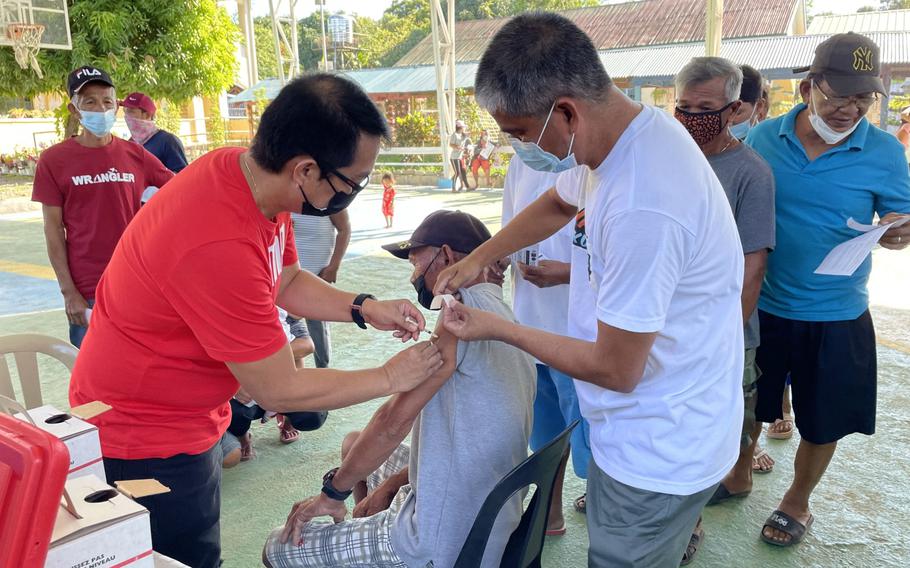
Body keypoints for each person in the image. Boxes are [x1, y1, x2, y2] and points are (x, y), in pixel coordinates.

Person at [68, 74, 444, 568]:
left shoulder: (249, 180)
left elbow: (285, 280)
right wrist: (390, 376)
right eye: (353, 182)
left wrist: (363, 306)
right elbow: (279, 390)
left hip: (189, 417)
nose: (355, 192)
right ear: (305, 171)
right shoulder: (215, 240)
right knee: (179, 556)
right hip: (142, 437)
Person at [433, 13, 744, 567]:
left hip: (658, 447)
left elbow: (615, 366)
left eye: (521, 133)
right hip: (651, 421)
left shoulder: (644, 203)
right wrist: (483, 255)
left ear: (567, 111)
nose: (520, 147)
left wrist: (498, 328)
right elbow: (557, 201)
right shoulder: (624, 138)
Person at [265, 210, 535, 568]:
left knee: (277, 548)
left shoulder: (460, 315)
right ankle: (366, 542)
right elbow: (468, 440)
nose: (413, 277)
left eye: (416, 264)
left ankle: (380, 547)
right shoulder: (506, 316)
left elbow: (393, 421)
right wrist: (391, 484)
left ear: (448, 256)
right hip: (490, 509)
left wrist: (333, 492)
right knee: (352, 443)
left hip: (439, 539)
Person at [745, 32, 910, 548]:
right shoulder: (762, 140)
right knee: (748, 405)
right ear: (807, 87)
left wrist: (900, 231)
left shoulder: (883, 152)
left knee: (823, 417)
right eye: (837, 93)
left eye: (863, 97)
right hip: (763, 304)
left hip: (837, 312)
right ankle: (737, 472)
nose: (849, 108)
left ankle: (797, 500)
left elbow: (898, 217)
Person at [674, 56, 776, 565]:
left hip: (723, 333)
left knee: (720, 423)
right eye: (685, 107)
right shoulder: (671, 157)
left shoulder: (750, 173)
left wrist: (725, 341)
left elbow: (751, 268)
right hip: (672, 328)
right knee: (681, 426)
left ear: (735, 110)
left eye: (706, 108)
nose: (693, 117)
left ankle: (696, 516)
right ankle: (688, 514)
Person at [31, 66, 174, 348]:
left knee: (142, 369)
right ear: (75, 109)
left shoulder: (136, 155)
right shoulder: (54, 161)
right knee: (95, 378)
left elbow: (179, 190)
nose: (101, 109)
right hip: (88, 290)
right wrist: (68, 292)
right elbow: (52, 231)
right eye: (90, 102)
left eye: (107, 102)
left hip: (137, 282)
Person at [501, 156, 592, 532]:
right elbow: (508, 234)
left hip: (581, 338)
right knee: (544, 439)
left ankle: (605, 522)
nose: (519, 138)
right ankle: (548, 514)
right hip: (531, 331)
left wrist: (568, 274)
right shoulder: (521, 164)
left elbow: (620, 259)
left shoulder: (593, 165)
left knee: (593, 446)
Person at [286, 209, 351, 369]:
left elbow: (345, 229)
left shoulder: (330, 198)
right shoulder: (284, 201)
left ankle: (323, 370)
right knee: (289, 330)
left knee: (318, 330)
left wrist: (334, 266)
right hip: (287, 281)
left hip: (318, 278)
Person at [121, 91, 189, 173]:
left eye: (131, 111)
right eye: (125, 111)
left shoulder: (168, 141)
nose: (126, 116)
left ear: (147, 115)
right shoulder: (130, 143)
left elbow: (183, 175)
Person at [728, 65, 763, 140]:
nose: (728, 121)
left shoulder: (766, 146)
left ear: (759, 106)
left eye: (737, 112)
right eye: (724, 112)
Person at [449, 120, 469, 192]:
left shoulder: (463, 135)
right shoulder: (454, 135)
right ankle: (453, 188)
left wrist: (467, 149)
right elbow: (451, 144)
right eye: (463, 127)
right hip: (454, 157)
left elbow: (468, 141)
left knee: (461, 171)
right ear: (460, 127)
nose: (464, 128)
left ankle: (466, 186)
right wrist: (458, 147)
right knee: (457, 172)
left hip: (460, 157)